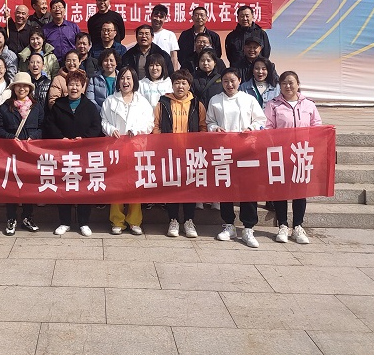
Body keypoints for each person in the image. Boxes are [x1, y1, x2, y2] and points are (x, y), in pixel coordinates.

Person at [206, 68, 267, 248]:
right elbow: (210, 122)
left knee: (248, 189)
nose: (229, 84)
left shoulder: (249, 99)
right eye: (225, 81)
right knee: (226, 188)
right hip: (224, 150)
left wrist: (251, 129)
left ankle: (248, 227)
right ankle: (228, 225)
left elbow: (260, 120)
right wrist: (215, 129)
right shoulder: (215, 100)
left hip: (247, 151)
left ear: (239, 80)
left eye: (232, 80)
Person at [265, 71, 322, 245]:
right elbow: (267, 128)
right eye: (284, 83)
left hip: (302, 153)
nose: (288, 86)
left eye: (291, 83)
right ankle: (282, 225)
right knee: (281, 190)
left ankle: (298, 226)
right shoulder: (273, 105)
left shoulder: (309, 104)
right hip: (281, 153)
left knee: (300, 191)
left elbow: (317, 126)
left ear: (298, 84)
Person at [43, 69, 103, 236]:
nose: (74, 88)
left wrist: (84, 139)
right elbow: (49, 125)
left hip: (83, 155)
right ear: (66, 86)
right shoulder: (58, 105)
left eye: (77, 85)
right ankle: (65, 222)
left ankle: (84, 222)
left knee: (84, 188)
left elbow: (96, 127)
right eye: (71, 84)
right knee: (64, 187)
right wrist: (60, 138)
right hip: (63, 154)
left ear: (83, 87)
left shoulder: (90, 107)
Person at [153, 68, 208, 239]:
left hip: (190, 154)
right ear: (172, 85)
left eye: (184, 83)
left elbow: (203, 127)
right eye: (177, 83)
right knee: (172, 188)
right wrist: (161, 144)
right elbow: (156, 126)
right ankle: (173, 220)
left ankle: (189, 221)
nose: (180, 86)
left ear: (189, 85)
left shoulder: (197, 104)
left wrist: (198, 146)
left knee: (190, 188)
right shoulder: (163, 103)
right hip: (170, 153)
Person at [101, 66, 154, 235]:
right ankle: (117, 220)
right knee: (117, 185)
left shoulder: (142, 102)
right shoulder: (110, 101)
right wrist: (111, 130)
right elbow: (103, 120)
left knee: (135, 185)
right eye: (122, 78)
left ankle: (134, 221)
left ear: (134, 81)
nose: (125, 81)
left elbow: (150, 123)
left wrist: (137, 130)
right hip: (116, 149)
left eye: (129, 78)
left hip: (136, 149)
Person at [0, 72, 45, 236]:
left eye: (25, 86)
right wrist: (10, 138)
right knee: (12, 186)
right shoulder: (5, 107)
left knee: (29, 186)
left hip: (30, 153)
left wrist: (33, 137)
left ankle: (27, 217)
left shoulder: (36, 106)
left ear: (30, 89)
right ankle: (11, 218)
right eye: (18, 86)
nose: (22, 89)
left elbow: (43, 127)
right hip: (11, 153)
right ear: (13, 88)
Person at [150, 5, 180, 71]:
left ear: (165, 19)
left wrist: (175, 74)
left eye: (161, 17)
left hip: (166, 71)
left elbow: (174, 57)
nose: (158, 19)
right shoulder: (146, 34)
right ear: (151, 16)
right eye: (156, 16)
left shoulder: (170, 35)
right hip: (149, 70)